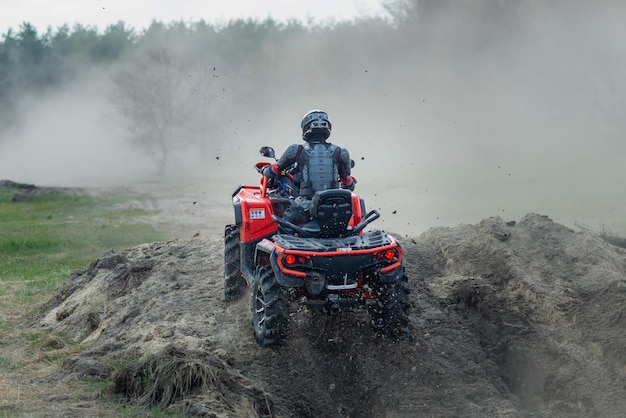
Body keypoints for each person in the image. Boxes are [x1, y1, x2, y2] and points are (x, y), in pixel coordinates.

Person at [263, 109, 356, 224]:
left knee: (284, 225)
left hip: (305, 206)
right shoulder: (341, 152)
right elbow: (348, 184)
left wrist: (265, 170)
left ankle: (284, 239)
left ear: (305, 128)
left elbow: (274, 170)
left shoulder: (296, 150)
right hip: (335, 205)